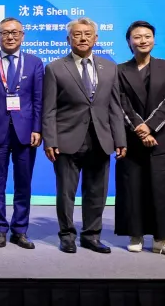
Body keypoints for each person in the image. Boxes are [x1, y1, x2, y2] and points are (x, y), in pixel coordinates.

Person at [42, 17, 127, 254]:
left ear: (96, 38)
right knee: (66, 193)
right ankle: (67, 235)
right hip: (67, 139)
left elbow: (115, 107)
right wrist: (50, 140)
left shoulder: (110, 68)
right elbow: (49, 109)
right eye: (77, 34)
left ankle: (91, 236)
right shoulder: (55, 68)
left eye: (87, 34)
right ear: (68, 39)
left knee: (97, 192)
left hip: (101, 139)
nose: (82, 38)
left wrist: (120, 139)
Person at [115, 21, 165, 258]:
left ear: (154, 40)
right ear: (129, 42)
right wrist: (140, 129)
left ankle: (162, 239)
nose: (143, 40)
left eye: (147, 36)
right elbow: (121, 102)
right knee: (132, 187)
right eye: (137, 37)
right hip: (132, 137)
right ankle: (135, 234)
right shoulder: (119, 70)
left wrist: (150, 127)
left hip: (163, 136)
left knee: (163, 189)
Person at [0, 18, 43, 250]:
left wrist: (37, 128)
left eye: (15, 32)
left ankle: (20, 230)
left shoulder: (34, 63)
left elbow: (38, 99)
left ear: (22, 36)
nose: (10, 37)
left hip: (25, 132)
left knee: (23, 183)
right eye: (5, 33)